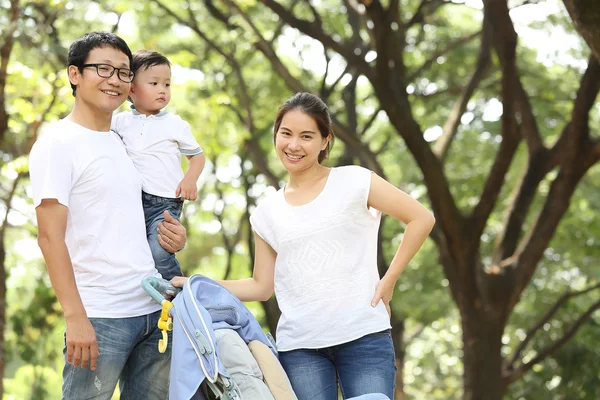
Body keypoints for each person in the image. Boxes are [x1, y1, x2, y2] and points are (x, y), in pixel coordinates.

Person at [174, 92, 436, 399]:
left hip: (364, 335)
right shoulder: (266, 212)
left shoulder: (354, 181)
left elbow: (421, 218)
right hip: (300, 348)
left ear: (325, 141)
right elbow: (260, 287)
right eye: (285, 133)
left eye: (306, 136)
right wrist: (195, 285)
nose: (293, 145)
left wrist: (389, 280)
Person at [29, 32, 187, 400]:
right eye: (103, 69)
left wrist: (174, 236)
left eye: (124, 72)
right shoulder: (57, 143)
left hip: (156, 310)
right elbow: (49, 237)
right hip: (100, 316)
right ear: (74, 74)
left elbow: (135, 216)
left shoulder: (124, 139)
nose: (115, 79)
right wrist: (75, 317)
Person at [111, 50, 205, 280]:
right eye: (153, 83)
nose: (162, 89)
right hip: (132, 200)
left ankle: (177, 291)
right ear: (131, 89)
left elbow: (197, 156)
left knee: (159, 250)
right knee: (134, 251)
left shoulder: (175, 124)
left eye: (167, 84)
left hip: (164, 201)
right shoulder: (119, 122)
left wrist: (190, 179)